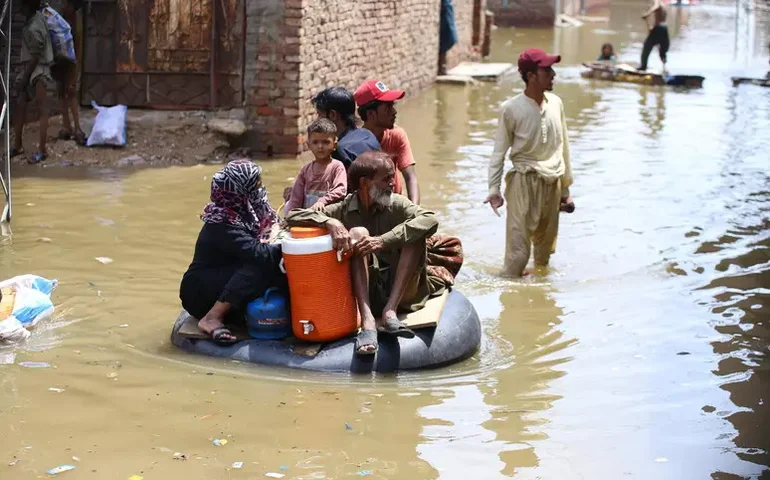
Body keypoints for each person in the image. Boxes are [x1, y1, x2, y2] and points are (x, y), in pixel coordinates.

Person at [286, 152, 461, 355]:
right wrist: (329, 222)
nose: (392, 183)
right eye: (386, 179)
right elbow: (293, 215)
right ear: (364, 183)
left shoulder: (396, 203)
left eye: (392, 177)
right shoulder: (343, 208)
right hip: (366, 291)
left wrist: (383, 241)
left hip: (402, 291)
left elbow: (430, 219)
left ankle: (390, 311)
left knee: (416, 233)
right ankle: (367, 320)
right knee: (358, 233)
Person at [484, 48, 575, 278]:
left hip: (552, 184)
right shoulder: (511, 109)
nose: (553, 74)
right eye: (547, 70)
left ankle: (537, 295)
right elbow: (498, 153)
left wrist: (565, 191)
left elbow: (563, 148)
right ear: (531, 76)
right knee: (517, 256)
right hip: (523, 183)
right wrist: (494, 190)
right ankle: (508, 291)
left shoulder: (556, 104)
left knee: (544, 254)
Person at [180, 159, 286, 344]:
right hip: (199, 292)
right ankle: (211, 318)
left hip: (228, 278)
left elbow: (273, 227)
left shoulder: (249, 212)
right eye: (256, 184)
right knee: (260, 267)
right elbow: (262, 254)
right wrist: (291, 246)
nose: (260, 188)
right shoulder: (223, 223)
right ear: (242, 190)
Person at [354, 80, 420, 204]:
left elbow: (410, 177)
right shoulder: (354, 144)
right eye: (388, 107)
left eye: (392, 105)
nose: (394, 111)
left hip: (393, 203)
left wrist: (415, 211)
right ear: (371, 114)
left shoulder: (397, 135)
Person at [11, 0, 54, 164]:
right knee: (20, 105)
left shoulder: (34, 26)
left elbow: (36, 56)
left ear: (28, 6)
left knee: (42, 109)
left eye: (22, 5)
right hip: (30, 67)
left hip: (38, 69)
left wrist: (24, 78)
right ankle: (17, 145)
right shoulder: (35, 19)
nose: (20, 8)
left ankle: (42, 150)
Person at [284, 118, 347, 214]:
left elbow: (341, 189)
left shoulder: (337, 167)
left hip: (328, 216)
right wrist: (289, 216)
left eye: (326, 142)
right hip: (308, 216)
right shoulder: (305, 170)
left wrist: (323, 201)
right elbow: (296, 199)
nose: (320, 146)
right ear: (309, 145)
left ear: (334, 145)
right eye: (315, 142)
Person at [312, 86, 381, 169]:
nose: (318, 120)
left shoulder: (340, 151)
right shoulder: (367, 134)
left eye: (320, 114)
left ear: (332, 115)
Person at [50, 0, 87, 145]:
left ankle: (77, 128)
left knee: (71, 93)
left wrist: (76, 70)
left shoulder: (75, 24)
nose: (63, 6)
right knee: (61, 92)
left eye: (66, 4)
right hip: (59, 61)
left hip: (71, 63)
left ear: (72, 7)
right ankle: (66, 126)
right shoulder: (60, 18)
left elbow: (78, 48)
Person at [640, 0, 670, 72]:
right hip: (664, 28)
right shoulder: (664, 5)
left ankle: (643, 66)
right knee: (662, 50)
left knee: (646, 47)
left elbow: (656, 7)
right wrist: (652, 28)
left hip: (658, 28)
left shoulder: (657, 2)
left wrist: (647, 14)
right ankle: (664, 68)